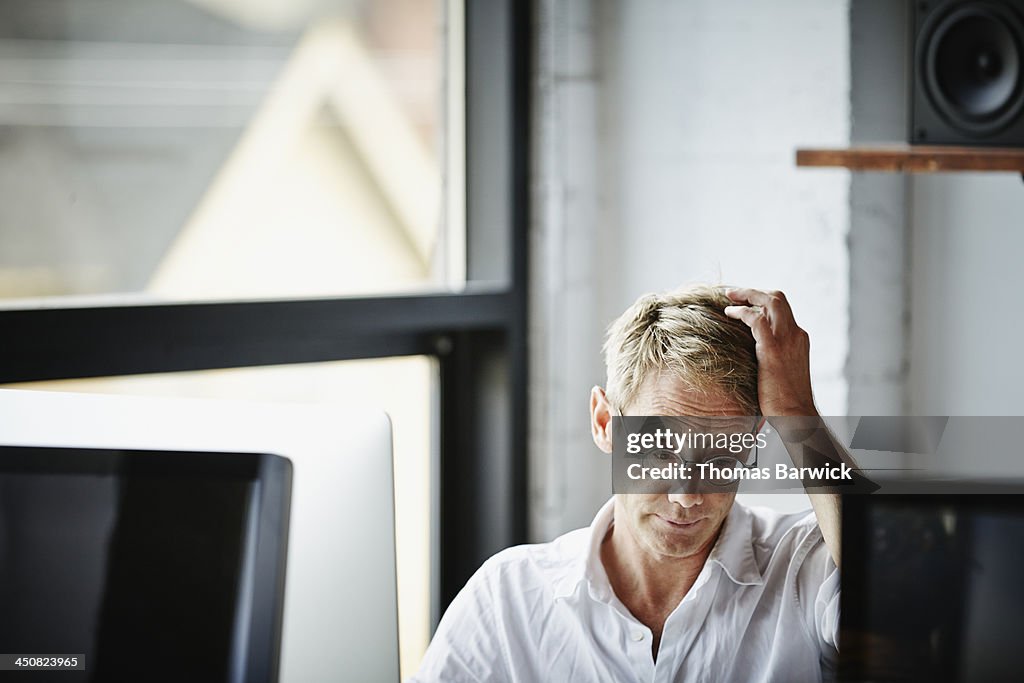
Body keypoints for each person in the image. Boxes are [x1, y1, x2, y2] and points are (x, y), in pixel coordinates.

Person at [411, 285, 851, 682]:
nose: (687, 497)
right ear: (605, 422)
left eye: (721, 456)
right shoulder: (510, 598)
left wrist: (796, 410)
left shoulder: (804, 569)